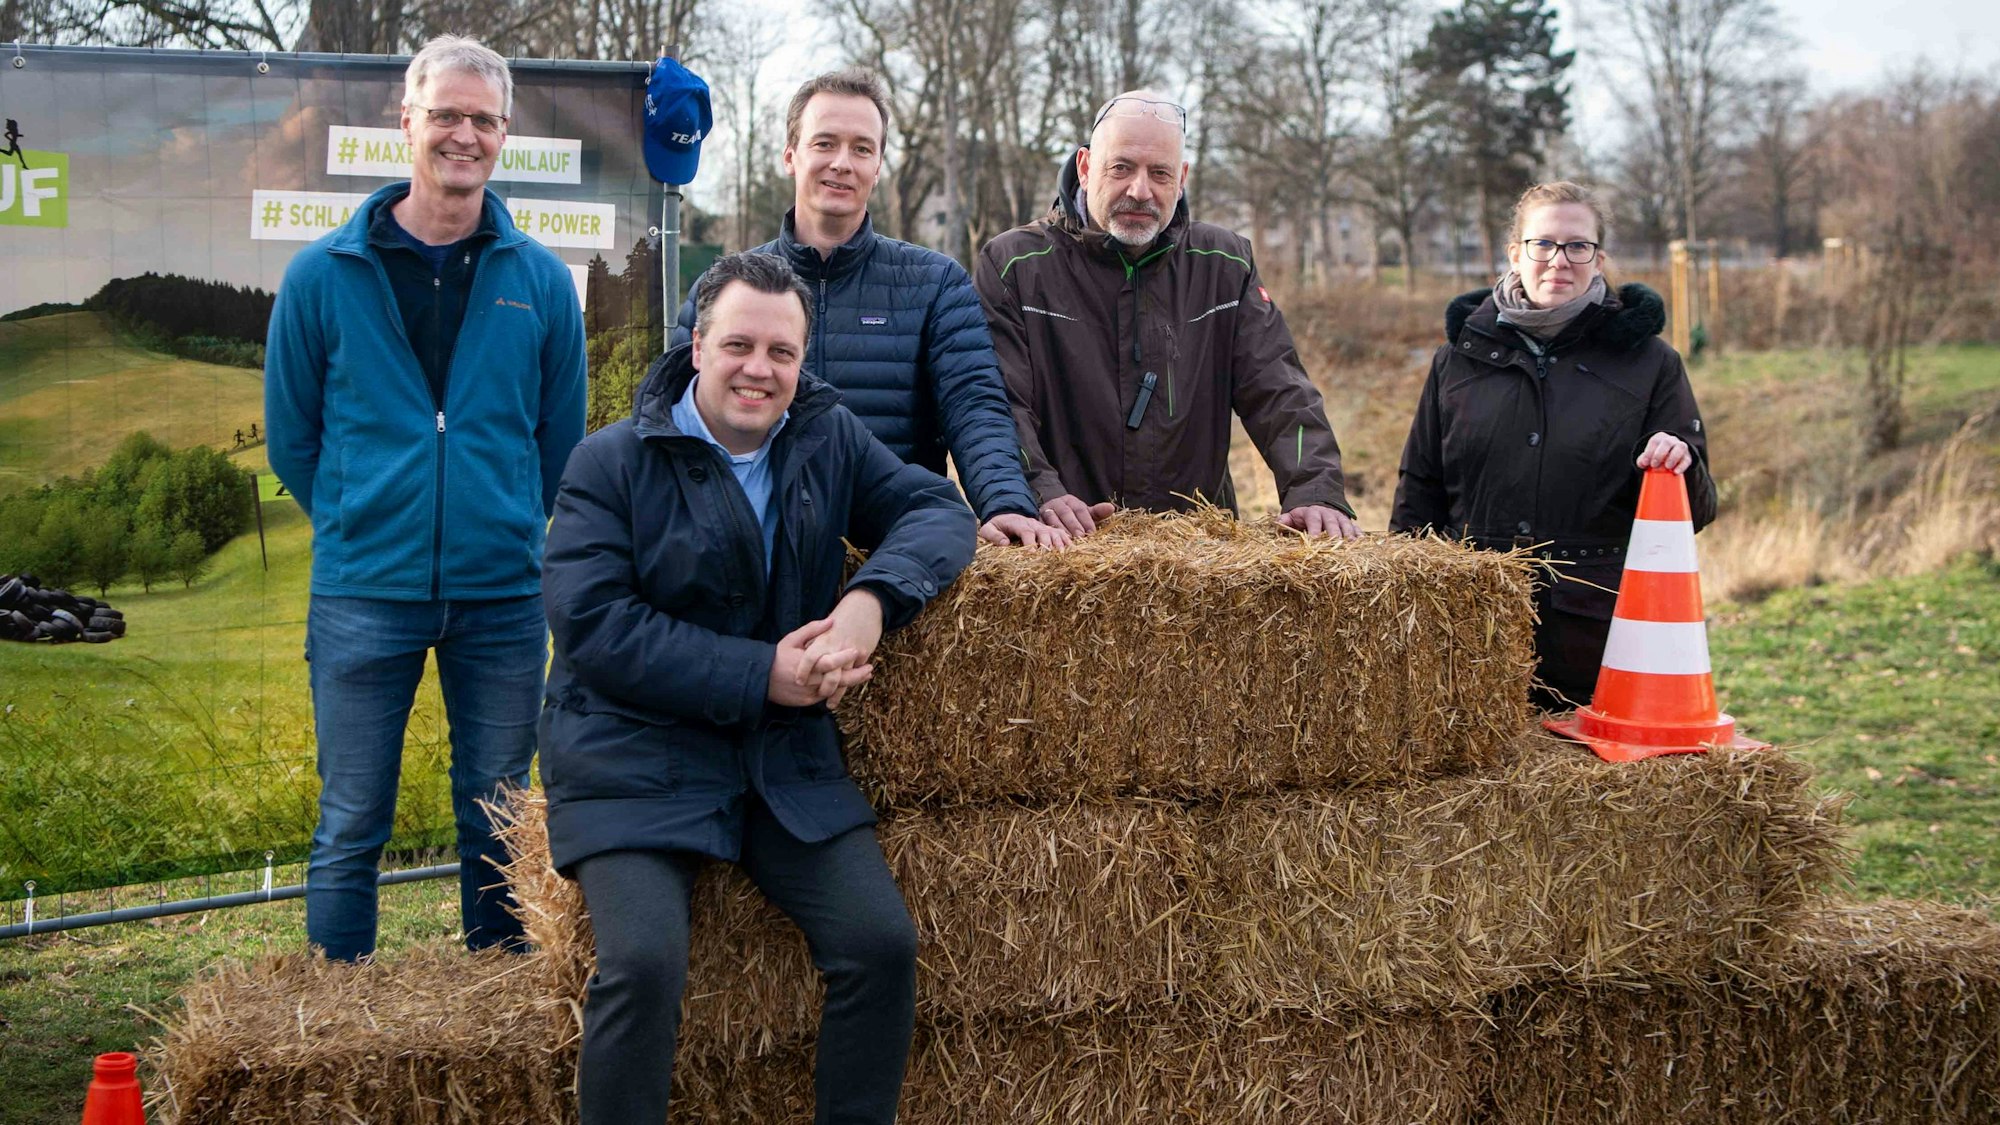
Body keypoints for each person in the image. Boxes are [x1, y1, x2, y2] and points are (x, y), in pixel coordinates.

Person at [541, 252, 975, 1124]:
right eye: (739, 344)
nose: (760, 368)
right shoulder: (611, 461)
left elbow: (939, 513)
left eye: (782, 352)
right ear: (696, 345)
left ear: (803, 360)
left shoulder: (826, 437)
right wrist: (761, 673)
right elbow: (593, 625)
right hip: (633, 751)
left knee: (881, 944)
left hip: (777, 762)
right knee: (645, 962)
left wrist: (868, 601)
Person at [264, 35, 587, 962]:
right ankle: (332, 1012)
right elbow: (294, 438)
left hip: (502, 592)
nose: (463, 135)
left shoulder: (539, 282)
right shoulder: (323, 275)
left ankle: (494, 998)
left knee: (494, 809)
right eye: (445, 114)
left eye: (483, 120)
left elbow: (558, 442)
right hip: (364, 590)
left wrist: (507, 519)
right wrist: (364, 519)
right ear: (405, 123)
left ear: (504, 135)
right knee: (351, 818)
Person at [674, 69, 1061, 548]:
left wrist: (1005, 503)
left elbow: (976, 407)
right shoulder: (724, 286)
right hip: (751, 555)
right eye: (824, 143)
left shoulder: (936, 284)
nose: (842, 163)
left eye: (861, 148)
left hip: (889, 554)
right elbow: (673, 415)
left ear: (878, 167)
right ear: (791, 156)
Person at [1388, 180, 1717, 709]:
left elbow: (1695, 511)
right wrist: (1404, 610)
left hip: (1598, 636)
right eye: (1542, 244)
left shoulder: (1650, 362)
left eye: (1577, 246)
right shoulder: (1458, 359)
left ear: (1599, 257)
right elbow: (1418, 491)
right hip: (1470, 634)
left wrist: (1681, 463)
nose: (1558, 260)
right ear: (1515, 253)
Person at [974, 89, 1360, 539]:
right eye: (1121, 168)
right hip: (1066, 537)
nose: (1140, 191)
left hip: (1200, 549)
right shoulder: (1015, 265)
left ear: (1181, 178)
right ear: (1084, 167)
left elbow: (1278, 388)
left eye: (1159, 173)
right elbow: (999, 402)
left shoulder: (1224, 263)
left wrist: (1315, 490)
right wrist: (1038, 490)